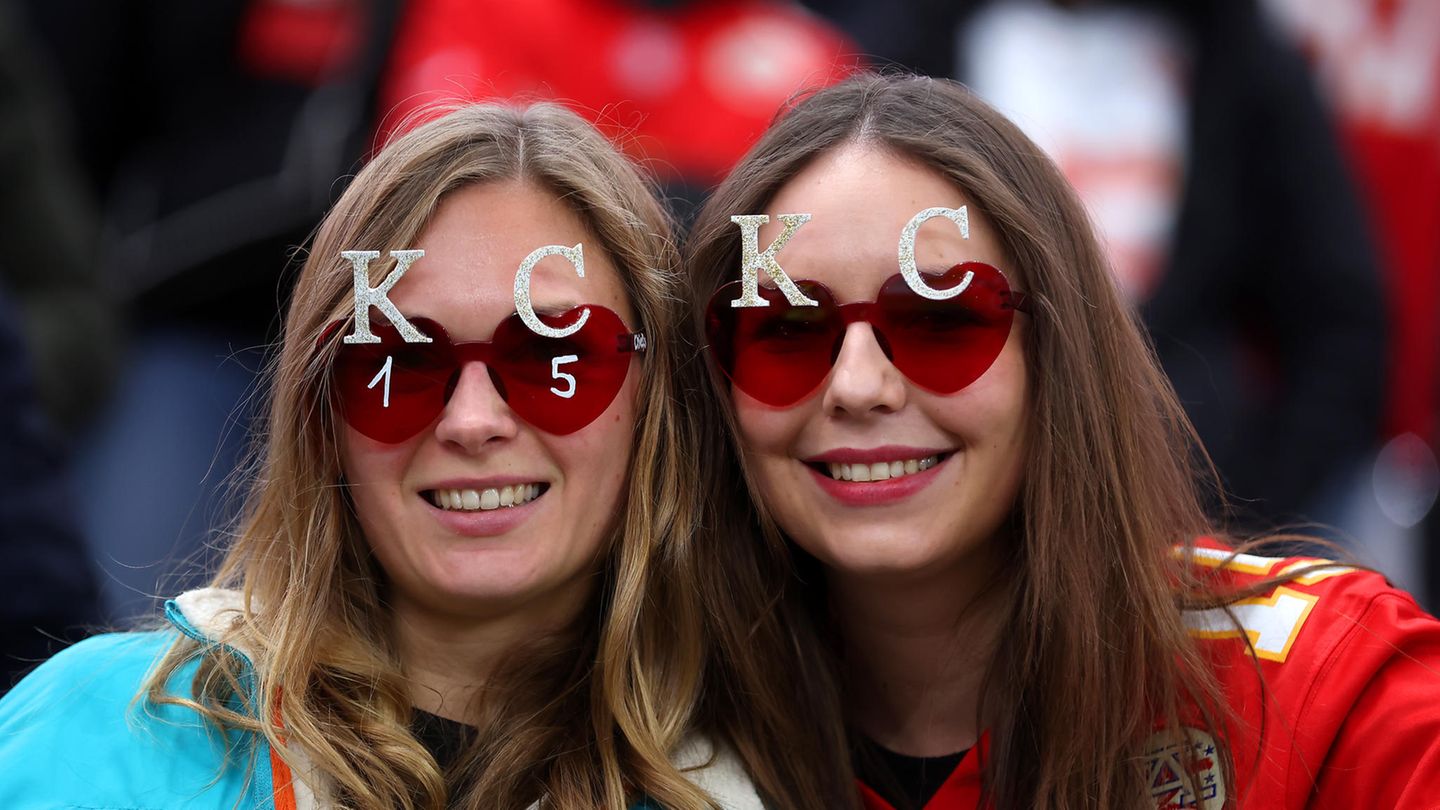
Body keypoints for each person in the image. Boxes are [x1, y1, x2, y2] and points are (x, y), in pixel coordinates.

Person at [682, 73, 1440, 810]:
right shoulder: (654, 736)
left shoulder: (1331, 683)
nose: (857, 386)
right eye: (785, 330)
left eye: (940, 319)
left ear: (1058, 353)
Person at [0, 102, 762, 809]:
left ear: (655, 401)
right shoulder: (102, 731)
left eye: (551, 357)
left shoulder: (752, 786)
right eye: (399, 362)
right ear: (319, 415)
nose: (472, 421)